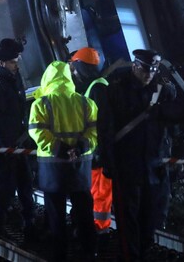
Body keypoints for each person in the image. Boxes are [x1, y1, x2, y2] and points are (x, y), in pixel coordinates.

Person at [97, 49, 182, 261]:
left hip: (152, 164)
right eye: (146, 69)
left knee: (150, 215)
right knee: (128, 218)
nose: (149, 74)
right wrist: (108, 160)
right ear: (135, 66)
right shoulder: (117, 90)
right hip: (127, 164)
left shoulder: (160, 89)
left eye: (153, 70)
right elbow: (105, 127)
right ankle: (131, 256)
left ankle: (142, 251)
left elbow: (175, 117)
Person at [29, 60, 98, 261]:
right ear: (69, 78)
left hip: (53, 168)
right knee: (84, 210)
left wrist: (61, 149)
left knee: (56, 214)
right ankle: (89, 250)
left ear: (47, 78)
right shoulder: (86, 103)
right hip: (80, 166)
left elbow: (37, 133)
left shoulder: (41, 104)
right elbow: (94, 132)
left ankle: (60, 254)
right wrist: (80, 147)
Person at [0, 39, 37, 239]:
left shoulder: (11, 77)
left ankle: (30, 223)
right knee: (2, 186)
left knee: (24, 183)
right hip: (1, 146)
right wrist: (0, 149)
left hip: (15, 142)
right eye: (13, 61)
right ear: (2, 63)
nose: (17, 64)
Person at [71, 47, 114, 237]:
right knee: (92, 192)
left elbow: (103, 124)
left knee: (99, 193)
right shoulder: (95, 86)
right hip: (92, 150)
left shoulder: (97, 88)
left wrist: (101, 151)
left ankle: (100, 227)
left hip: (97, 151)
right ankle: (91, 225)